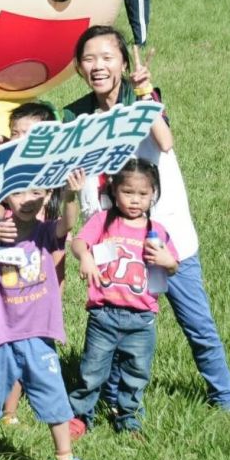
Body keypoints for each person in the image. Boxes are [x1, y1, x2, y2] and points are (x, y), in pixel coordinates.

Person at [62, 25, 230, 420]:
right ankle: (116, 404)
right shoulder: (76, 116)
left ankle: (225, 402)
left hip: (164, 238)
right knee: (119, 323)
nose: (98, 66)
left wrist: (144, 93)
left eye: (107, 57)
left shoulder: (143, 97)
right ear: (77, 67)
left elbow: (165, 141)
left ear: (123, 62)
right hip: (114, 241)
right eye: (89, 59)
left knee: (197, 323)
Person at [0, 174, 101, 460]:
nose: (28, 199)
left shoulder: (44, 231)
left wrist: (70, 195)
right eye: (19, 192)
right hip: (0, 333)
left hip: (38, 334)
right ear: (5, 197)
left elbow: (66, 224)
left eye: (36, 192)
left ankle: (65, 459)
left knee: (55, 397)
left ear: (46, 194)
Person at [67, 159, 178, 439]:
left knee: (136, 373)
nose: (135, 200)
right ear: (114, 191)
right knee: (91, 371)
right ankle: (81, 416)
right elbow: (79, 243)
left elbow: (173, 265)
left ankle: (129, 419)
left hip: (141, 319)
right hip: (104, 314)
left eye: (143, 194)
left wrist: (168, 260)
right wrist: (87, 258)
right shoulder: (104, 221)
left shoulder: (157, 230)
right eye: (128, 192)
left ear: (154, 193)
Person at [0, 101, 64, 424]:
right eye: (15, 134)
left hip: (43, 259)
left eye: (28, 134)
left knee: (34, 333)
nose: (19, 139)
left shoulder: (55, 170)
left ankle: (13, 409)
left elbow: (63, 225)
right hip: (5, 264)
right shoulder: (7, 175)